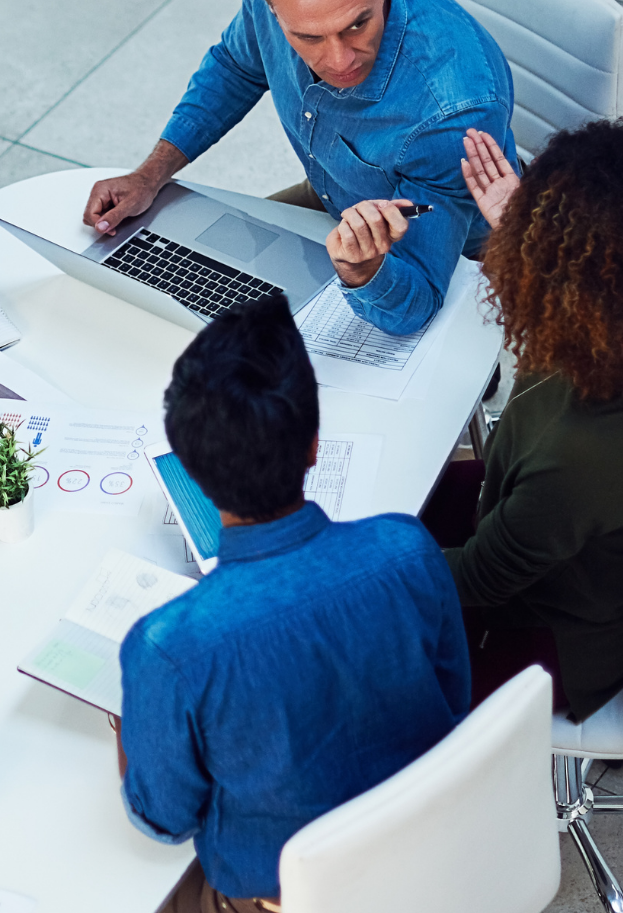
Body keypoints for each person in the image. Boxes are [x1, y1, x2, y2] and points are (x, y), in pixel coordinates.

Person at [118, 295, 471, 910]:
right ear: (314, 445)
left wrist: (129, 732)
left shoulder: (168, 649)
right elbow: (453, 701)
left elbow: (165, 821)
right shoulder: (407, 549)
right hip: (428, 858)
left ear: (193, 476)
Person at [83, 0, 515, 336]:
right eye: (307, 37)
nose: (339, 60)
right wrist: (150, 175)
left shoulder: (452, 112)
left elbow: (416, 303)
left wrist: (363, 272)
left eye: (357, 25)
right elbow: (236, 66)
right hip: (338, 193)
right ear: (272, 3)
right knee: (187, 288)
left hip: (441, 245)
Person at [424, 118, 623, 722]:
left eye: (538, 242)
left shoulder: (582, 453)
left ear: (583, 286)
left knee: (345, 662)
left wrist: (348, 583)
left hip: (551, 639)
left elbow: (476, 580)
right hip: (567, 545)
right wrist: (529, 236)